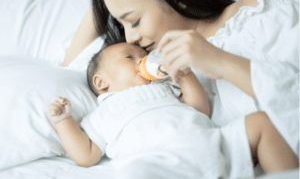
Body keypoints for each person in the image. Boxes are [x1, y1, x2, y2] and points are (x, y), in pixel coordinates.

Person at [63, 0, 299, 161]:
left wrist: (222, 62)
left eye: (134, 21)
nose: (130, 37)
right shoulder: (152, 70)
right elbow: (72, 67)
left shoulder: (257, 11)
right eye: (120, 24)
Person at [48, 42, 298, 179]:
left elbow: (200, 109)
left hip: (213, 146)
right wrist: (63, 120)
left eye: (144, 56)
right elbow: (86, 155)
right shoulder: (103, 113)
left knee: (261, 122)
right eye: (130, 58)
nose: (142, 61)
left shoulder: (166, 87)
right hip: (160, 166)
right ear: (101, 82)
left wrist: (184, 74)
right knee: (135, 174)